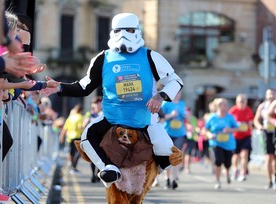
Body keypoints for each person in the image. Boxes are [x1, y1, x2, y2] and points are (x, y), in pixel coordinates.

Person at [41, 12, 183, 188]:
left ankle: (153, 175)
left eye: (129, 30)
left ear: (137, 31)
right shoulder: (102, 58)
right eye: (118, 31)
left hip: (145, 118)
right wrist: (60, 87)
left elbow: (176, 81)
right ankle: (107, 168)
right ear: (112, 32)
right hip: (112, 117)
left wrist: (159, 97)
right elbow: (85, 86)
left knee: (167, 155)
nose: (123, 35)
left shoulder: (150, 56)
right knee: (86, 137)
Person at [205, 98, 239, 189]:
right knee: (218, 161)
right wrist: (209, 135)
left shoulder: (230, 117)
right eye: (221, 104)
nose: (224, 106)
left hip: (228, 143)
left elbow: (236, 128)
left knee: (228, 163)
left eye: (225, 104)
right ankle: (218, 180)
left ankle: (227, 173)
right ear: (217, 106)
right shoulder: (212, 117)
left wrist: (229, 130)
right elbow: (205, 129)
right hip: (216, 142)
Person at [160, 92, 187, 189]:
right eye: (176, 93)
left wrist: (185, 115)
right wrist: (171, 115)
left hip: (180, 133)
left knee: (176, 155)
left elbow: (185, 117)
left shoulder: (182, 104)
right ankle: (167, 178)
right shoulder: (166, 104)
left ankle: (174, 179)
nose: (178, 95)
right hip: (168, 133)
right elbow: (162, 117)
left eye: (179, 93)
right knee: (168, 156)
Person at [253, 88, 276, 189]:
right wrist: (259, 126)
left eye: (273, 93)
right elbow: (256, 119)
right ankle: (269, 180)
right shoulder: (262, 106)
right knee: (268, 157)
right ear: (266, 95)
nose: (271, 95)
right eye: (269, 94)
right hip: (267, 133)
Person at [228, 94, 254, 182]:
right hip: (235, 136)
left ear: (246, 102)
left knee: (244, 154)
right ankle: (235, 169)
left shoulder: (249, 111)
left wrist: (249, 126)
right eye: (240, 101)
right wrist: (235, 126)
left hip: (246, 136)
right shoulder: (233, 111)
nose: (242, 103)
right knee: (235, 155)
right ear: (237, 102)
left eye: (243, 101)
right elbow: (228, 122)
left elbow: (250, 124)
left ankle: (243, 173)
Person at [83, 96, 103, 183]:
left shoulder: (103, 113)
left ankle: (98, 174)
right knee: (92, 157)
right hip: (91, 138)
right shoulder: (89, 114)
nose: (96, 106)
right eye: (95, 105)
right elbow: (83, 125)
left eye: (98, 104)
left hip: (101, 138)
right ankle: (93, 175)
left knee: (100, 157)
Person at [59, 104, 84, 174]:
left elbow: (65, 129)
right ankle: (74, 166)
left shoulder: (70, 118)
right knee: (78, 152)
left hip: (70, 137)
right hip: (78, 137)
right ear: (80, 111)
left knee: (71, 152)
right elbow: (80, 127)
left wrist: (61, 136)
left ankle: (70, 164)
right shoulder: (80, 117)